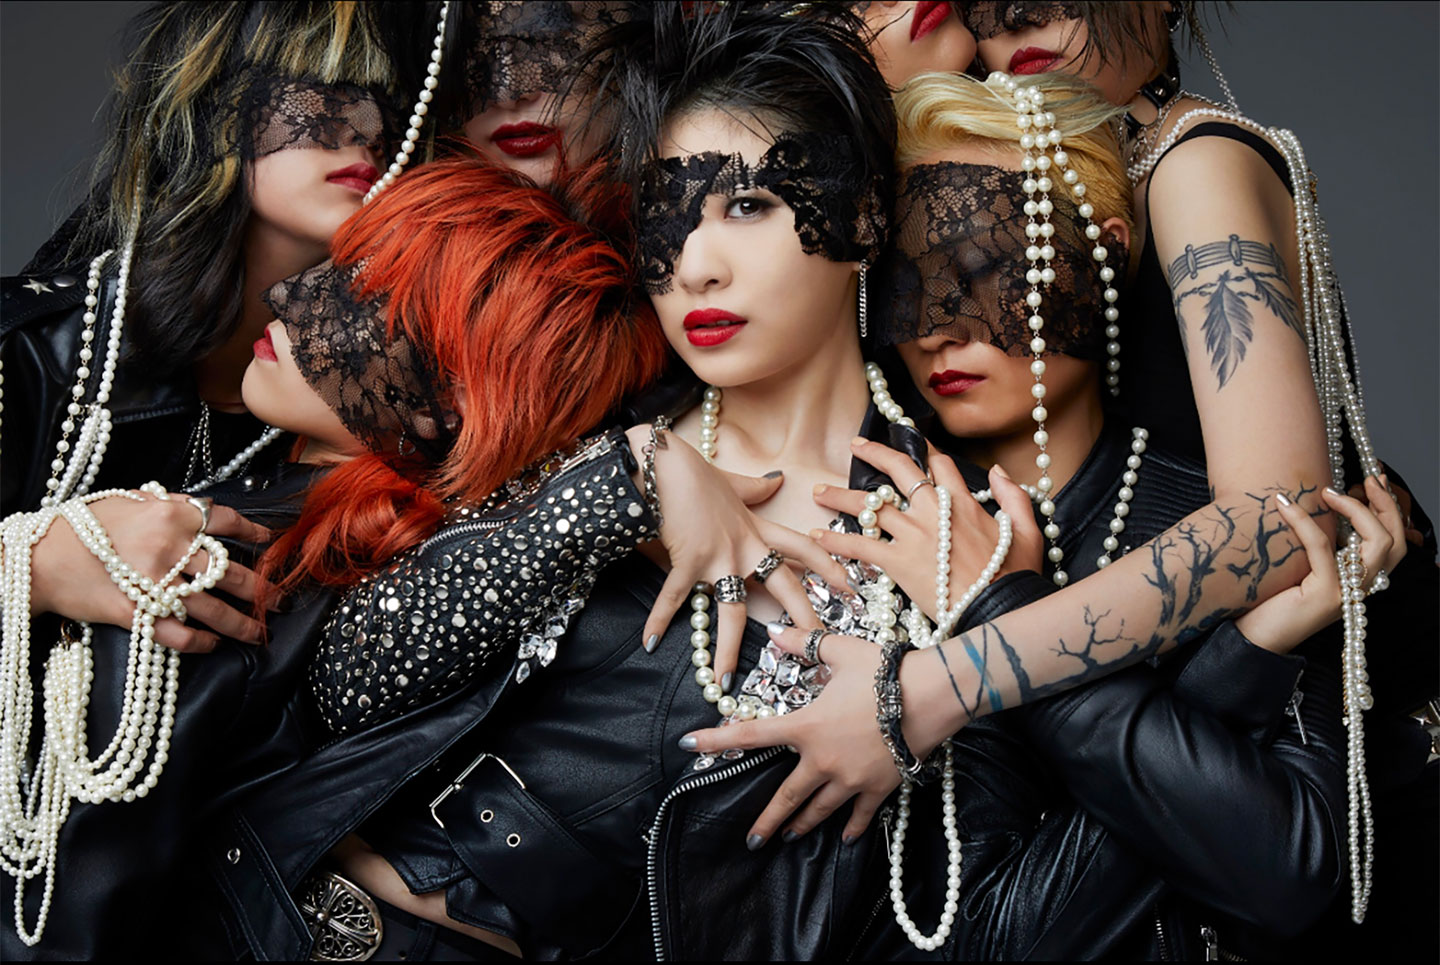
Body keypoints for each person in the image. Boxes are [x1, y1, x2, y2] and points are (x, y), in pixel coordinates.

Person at [0, 153, 668, 959]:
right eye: (335, 266)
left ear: (456, 396)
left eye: (363, 294)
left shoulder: (225, 563)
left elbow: (60, 918)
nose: (292, 296)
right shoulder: (270, 494)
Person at [2, 1, 403, 653]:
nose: (368, 129)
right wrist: (35, 565)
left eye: (390, 102)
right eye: (324, 92)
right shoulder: (29, 349)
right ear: (217, 108)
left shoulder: (367, 398)